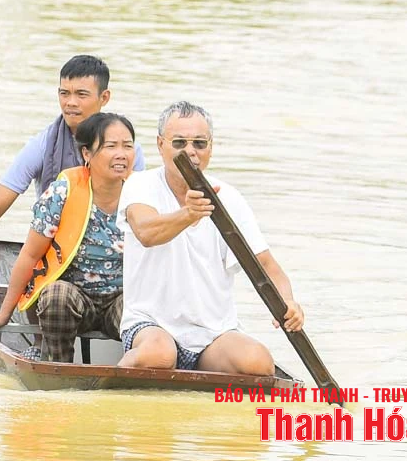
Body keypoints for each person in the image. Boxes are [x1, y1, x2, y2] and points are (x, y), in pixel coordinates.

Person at [116, 101, 304, 375]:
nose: (190, 151)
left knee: (259, 363)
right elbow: (146, 232)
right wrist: (188, 214)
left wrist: (288, 301)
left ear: (211, 148)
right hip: (151, 326)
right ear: (160, 145)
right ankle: (113, 382)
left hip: (212, 335)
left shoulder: (229, 197)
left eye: (199, 144)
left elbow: (267, 265)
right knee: (159, 354)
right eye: (179, 142)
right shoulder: (140, 184)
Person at [0, 55, 145, 299]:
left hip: (108, 260)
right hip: (54, 257)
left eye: (81, 94)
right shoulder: (43, 145)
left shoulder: (126, 152)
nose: (70, 103)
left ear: (104, 97)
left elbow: (140, 217)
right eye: (64, 93)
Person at [0, 113, 137, 362]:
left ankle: (132, 375)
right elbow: (30, 254)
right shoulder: (63, 190)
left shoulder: (141, 192)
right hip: (74, 298)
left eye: (128, 146)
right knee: (57, 296)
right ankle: (57, 368)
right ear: (87, 154)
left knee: (145, 311)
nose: (122, 154)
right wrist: (3, 313)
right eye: (110, 146)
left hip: (120, 298)